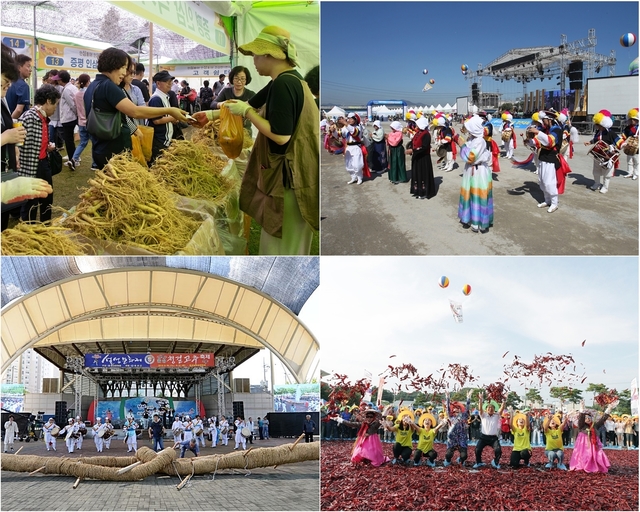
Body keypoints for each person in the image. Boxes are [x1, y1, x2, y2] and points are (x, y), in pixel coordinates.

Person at [191, 26, 319, 256]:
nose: (254, 61)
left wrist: (248, 114)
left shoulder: (284, 84)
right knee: (286, 241)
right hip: (294, 173)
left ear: (270, 55)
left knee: (283, 245)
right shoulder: (286, 80)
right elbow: (248, 105)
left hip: (289, 179)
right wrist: (210, 115)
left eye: (256, 55)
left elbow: (281, 136)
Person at [83, 47, 188, 169]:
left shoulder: (93, 85)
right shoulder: (109, 86)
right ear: (113, 64)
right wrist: (169, 110)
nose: (125, 73)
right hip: (114, 151)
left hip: (99, 147)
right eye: (123, 67)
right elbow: (135, 111)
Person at [17, 84, 60, 223]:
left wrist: (46, 148)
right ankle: (28, 231)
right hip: (30, 168)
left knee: (47, 198)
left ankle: (46, 227)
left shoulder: (44, 117)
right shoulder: (28, 118)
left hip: (44, 164)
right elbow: (17, 145)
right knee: (30, 203)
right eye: (55, 104)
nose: (55, 108)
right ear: (48, 101)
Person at [458, 115, 493, 232]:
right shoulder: (472, 139)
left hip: (479, 171)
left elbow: (470, 157)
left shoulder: (480, 141)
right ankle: (471, 218)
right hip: (471, 170)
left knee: (478, 195)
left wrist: (462, 145)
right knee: (470, 194)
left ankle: (479, 222)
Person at [570, 399, 618, 473]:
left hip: (594, 443)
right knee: (585, 455)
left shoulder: (594, 425)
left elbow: (602, 419)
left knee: (598, 454)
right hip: (583, 444)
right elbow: (581, 419)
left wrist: (609, 408)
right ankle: (584, 466)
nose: (588, 419)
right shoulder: (581, 426)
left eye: (589, 417)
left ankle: (596, 466)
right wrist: (582, 408)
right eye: (585, 418)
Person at [528, 110, 562, 212]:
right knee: (542, 181)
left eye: (543, 120)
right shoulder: (546, 130)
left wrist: (538, 132)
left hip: (551, 159)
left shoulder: (557, 130)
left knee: (549, 182)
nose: (542, 122)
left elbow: (550, 142)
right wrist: (529, 141)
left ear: (549, 119)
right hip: (542, 158)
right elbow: (538, 142)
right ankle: (547, 200)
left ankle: (554, 203)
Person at [583, 109, 622, 194]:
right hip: (597, 156)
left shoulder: (611, 133)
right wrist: (589, 142)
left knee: (607, 173)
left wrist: (623, 145)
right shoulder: (598, 132)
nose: (597, 127)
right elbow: (595, 140)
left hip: (607, 156)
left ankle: (605, 186)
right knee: (595, 171)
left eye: (598, 125)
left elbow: (619, 141)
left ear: (603, 124)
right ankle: (597, 183)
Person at [148, 70, 179, 164]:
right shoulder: (156, 99)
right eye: (167, 81)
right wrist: (173, 117)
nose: (170, 84)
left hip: (164, 139)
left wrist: (172, 119)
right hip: (158, 140)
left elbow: (165, 116)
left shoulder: (165, 97)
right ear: (158, 83)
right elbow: (157, 121)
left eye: (170, 81)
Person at [211, 66, 256, 130]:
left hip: (245, 129)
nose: (239, 82)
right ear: (232, 79)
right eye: (236, 78)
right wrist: (222, 104)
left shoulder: (251, 94)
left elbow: (259, 108)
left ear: (246, 80)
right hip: (227, 129)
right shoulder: (226, 91)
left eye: (242, 79)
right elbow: (213, 104)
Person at [473, 392, 506, 469]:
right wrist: (480, 400)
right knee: (477, 449)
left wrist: (504, 401)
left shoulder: (496, 415)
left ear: (494, 409)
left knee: (498, 450)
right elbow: (480, 409)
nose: (490, 409)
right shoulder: (483, 415)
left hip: (493, 438)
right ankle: (479, 462)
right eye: (488, 408)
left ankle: (495, 462)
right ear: (486, 409)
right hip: (483, 437)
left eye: (492, 408)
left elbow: (501, 409)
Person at [408, 116, 436, 199]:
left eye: (417, 125)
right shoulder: (418, 133)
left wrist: (413, 150)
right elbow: (413, 142)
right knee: (417, 173)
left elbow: (424, 147)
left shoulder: (426, 134)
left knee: (422, 174)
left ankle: (424, 192)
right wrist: (410, 148)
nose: (416, 126)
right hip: (417, 157)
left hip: (423, 158)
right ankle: (417, 191)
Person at [443, 390, 473, 467]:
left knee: (464, 456)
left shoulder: (464, 416)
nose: (456, 409)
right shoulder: (451, 417)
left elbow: (467, 407)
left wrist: (468, 398)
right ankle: (448, 460)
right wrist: (447, 398)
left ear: (460, 410)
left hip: (461, 440)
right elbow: (447, 409)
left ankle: (461, 460)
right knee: (448, 454)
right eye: (454, 408)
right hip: (452, 440)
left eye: (458, 408)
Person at [57, 71, 78, 170]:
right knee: (70, 140)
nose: (57, 81)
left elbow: (73, 105)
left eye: (58, 79)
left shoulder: (67, 89)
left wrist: (76, 114)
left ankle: (72, 160)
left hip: (68, 118)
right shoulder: (72, 87)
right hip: (71, 117)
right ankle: (73, 159)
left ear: (61, 80)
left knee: (69, 141)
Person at [71, 73, 91, 166]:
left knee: (82, 143)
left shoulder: (77, 94)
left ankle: (74, 159)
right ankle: (95, 164)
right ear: (87, 82)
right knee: (95, 144)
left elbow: (75, 107)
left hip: (80, 122)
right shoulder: (89, 94)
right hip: (90, 122)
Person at [5, 53, 32, 120]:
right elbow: (19, 110)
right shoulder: (23, 86)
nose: (30, 70)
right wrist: (10, 122)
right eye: (28, 66)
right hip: (18, 123)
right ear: (19, 68)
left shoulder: (8, 82)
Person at [621, 108, 639, 180]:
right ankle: (630, 173)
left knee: (637, 161)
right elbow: (624, 136)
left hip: (637, 146)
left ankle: (636, 174)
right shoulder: (628, 128)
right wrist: (622, 143)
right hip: (629, 145)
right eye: (631, 119)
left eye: (634, 119)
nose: (632, 121)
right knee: (629, 160)